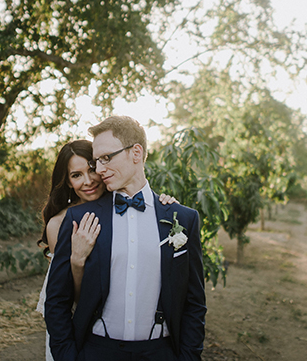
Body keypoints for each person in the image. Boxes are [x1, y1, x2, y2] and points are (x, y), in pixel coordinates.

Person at [45, 116, 206, 361]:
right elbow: (57, 299)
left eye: (106, 158)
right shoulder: (79, 219)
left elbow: (194, 303)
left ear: (136, 153)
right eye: (97, 161)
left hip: (161, 353)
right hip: (96, 352)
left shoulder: (182, 219)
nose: (99, 170)